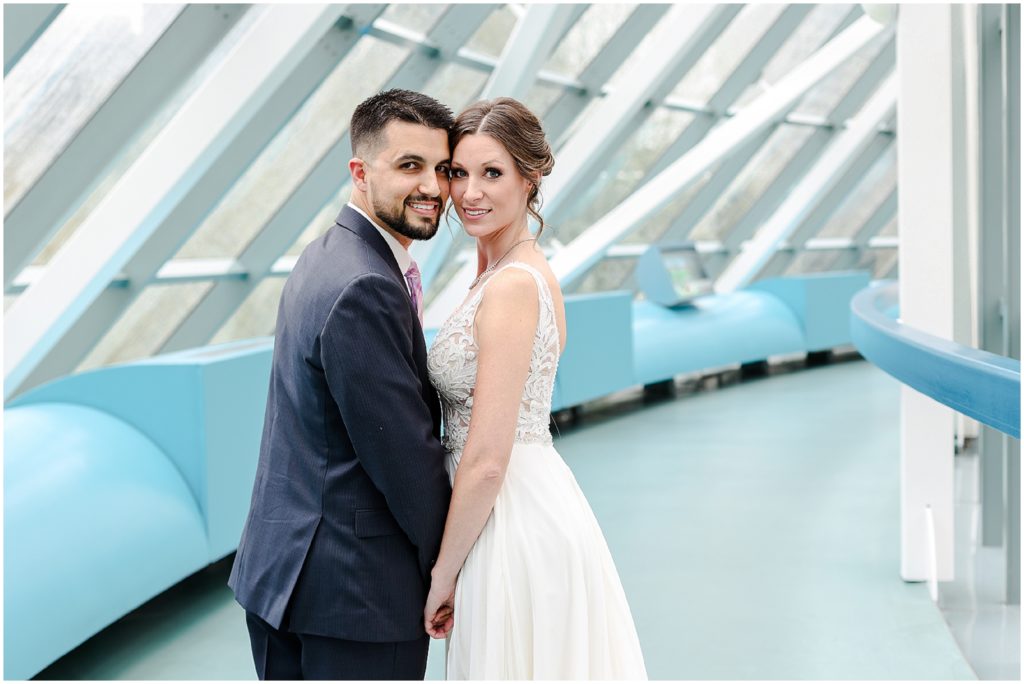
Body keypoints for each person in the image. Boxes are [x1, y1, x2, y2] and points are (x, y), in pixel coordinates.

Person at [228, 89, 455, 680]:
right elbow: (403, 457)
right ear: (360, 171)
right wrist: (451, 567)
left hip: (285, 577)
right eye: (410, 165)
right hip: (355, 597)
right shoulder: (366, 286)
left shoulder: (325, 255)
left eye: (442, 168)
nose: (432, 185)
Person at [423, 97, 648, 679]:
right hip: (515, 507)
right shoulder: (503, 273)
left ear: (531, 178)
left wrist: (442, 574)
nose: (469, 192)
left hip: (509, 521)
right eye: (458, 173)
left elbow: (489, 458)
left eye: (491, 173)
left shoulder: (513, 287)